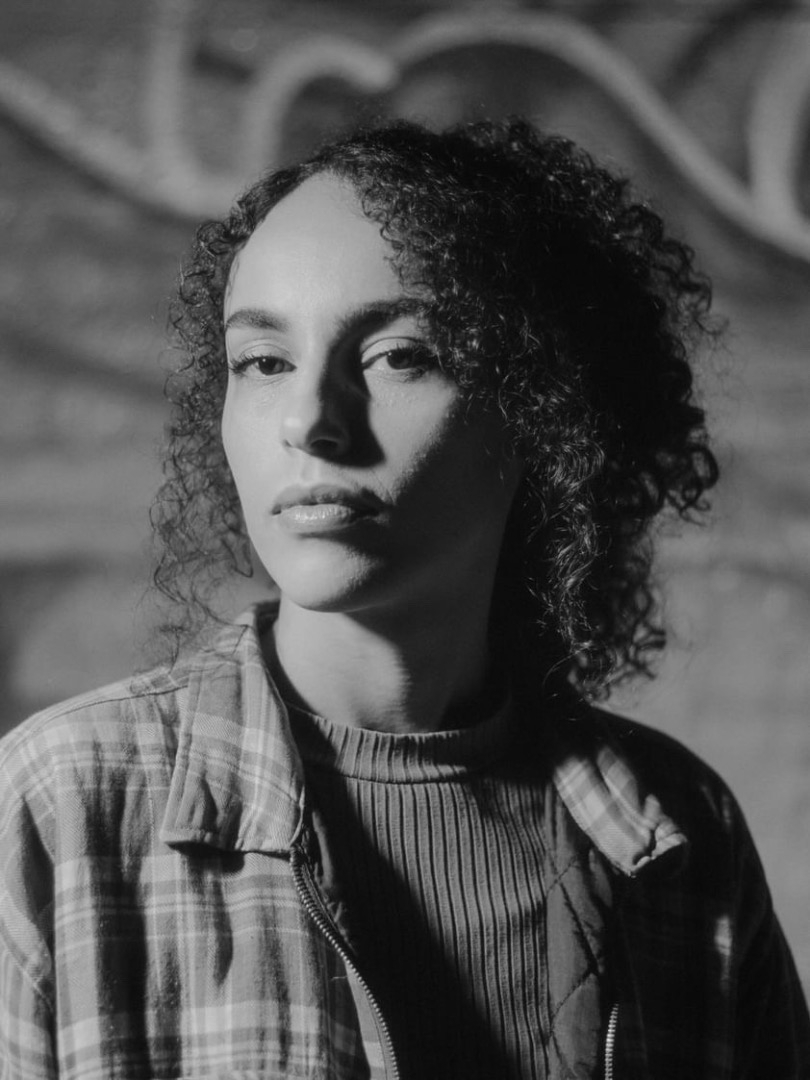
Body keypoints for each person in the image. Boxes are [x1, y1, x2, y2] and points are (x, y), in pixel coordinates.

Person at [1, 118, 808, 1080]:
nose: (311, 420)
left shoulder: (682, 839)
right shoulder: (60, 807)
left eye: (399, 355)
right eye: (263, 362)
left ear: (547, 411)